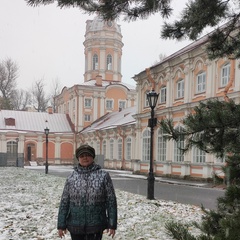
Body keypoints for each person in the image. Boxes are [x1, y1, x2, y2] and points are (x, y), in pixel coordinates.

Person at [57, 144, 117, 240]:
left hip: (96, 225)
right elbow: (65, 202)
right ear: (78, 158)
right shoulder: (71, 177)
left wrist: (112, 224)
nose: (85, 158)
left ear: (92, 157)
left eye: (88, 155)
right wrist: (61, 225)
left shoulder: (103, 176)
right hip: (75, 225)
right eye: (82, 155)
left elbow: (111, 201)